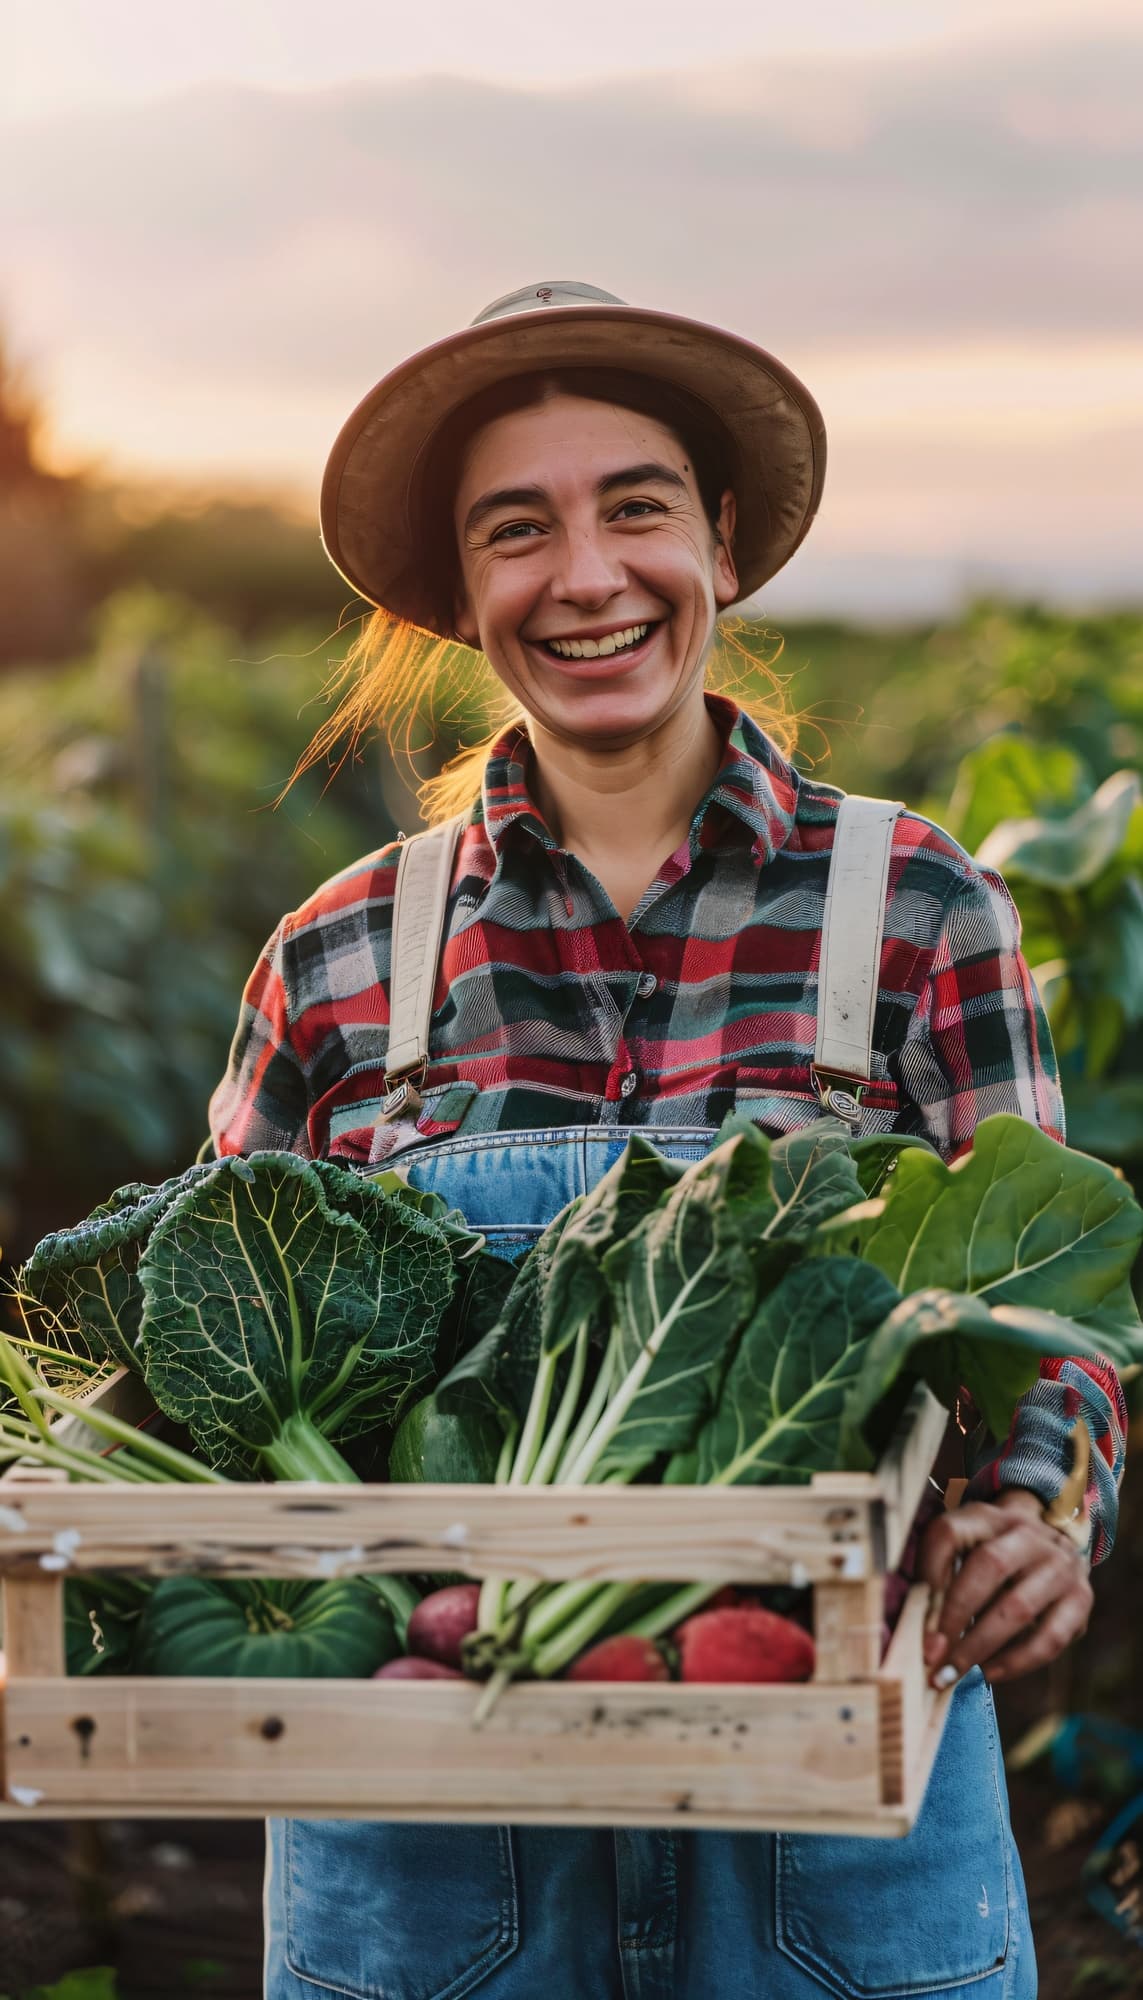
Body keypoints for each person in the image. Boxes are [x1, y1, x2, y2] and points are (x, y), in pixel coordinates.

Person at [210, 281, 1125, 1999]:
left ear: (717, 535)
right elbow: (231, 1377)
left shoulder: (920, 907)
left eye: (635, 505)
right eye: (517, 528)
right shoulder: (339, 957)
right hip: (430, 1840)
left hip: (839, 1809)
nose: (588, 574)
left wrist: (1040, 1514)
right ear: (463, 594)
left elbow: (1059, 1312)